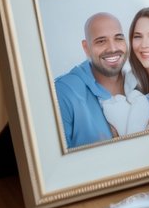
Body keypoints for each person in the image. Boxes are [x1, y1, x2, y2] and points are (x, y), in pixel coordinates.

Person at [54, 12, 128, 149]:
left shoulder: (140, 83)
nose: (113, 48)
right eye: (101, 41)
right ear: (86, 48)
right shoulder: (62, 91)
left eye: (118, 38)